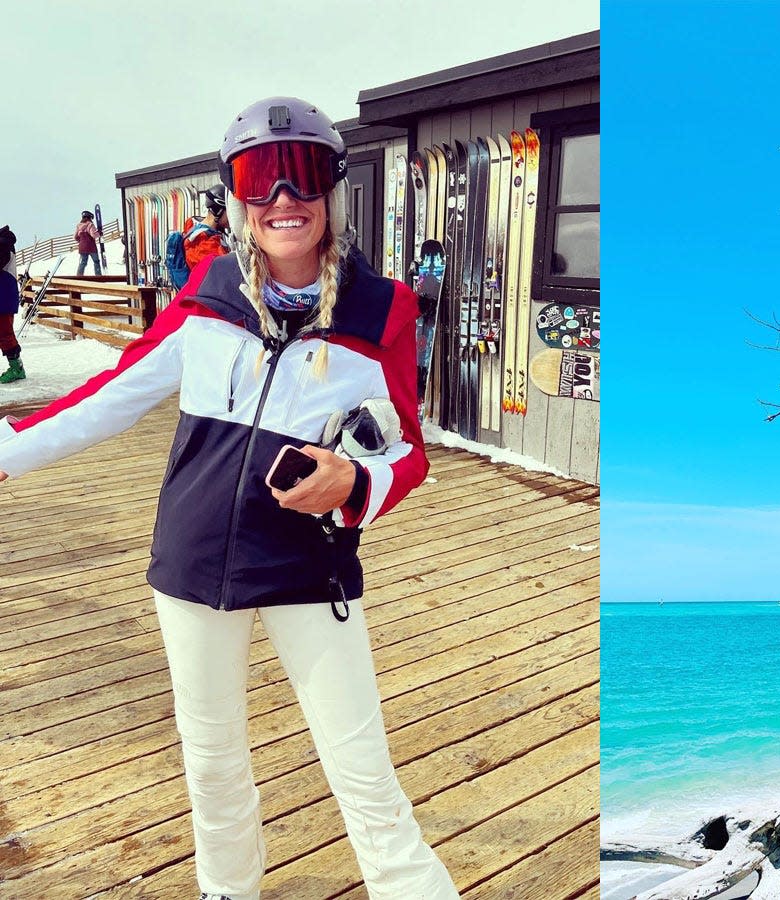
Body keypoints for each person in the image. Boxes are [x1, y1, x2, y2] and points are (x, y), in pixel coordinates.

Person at [0, 97, 459, 900]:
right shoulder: (210, 296)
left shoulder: (378, 312)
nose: (284, 199)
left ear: (333, 190)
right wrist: (9, 453)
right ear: (236, 196)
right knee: (212, 765)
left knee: (364, 775)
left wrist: (356, 482)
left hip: (305, 569)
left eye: (305, 175)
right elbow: (112, 393)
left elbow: (410, 452)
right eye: (259, 178)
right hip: (193, 564)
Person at [184, 184, 231, 270]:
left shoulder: (205, 231)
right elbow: (222, 272)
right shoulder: (202, 242)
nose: (232, 217)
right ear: (219, 211)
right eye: (229, 212)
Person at [0, 225, 23, 383]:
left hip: (4, 296)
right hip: (4, 295)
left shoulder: (3, 243)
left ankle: (17, 368)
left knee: (4, 333)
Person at [75, 209, 102, 275]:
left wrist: (81, 241)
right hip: (91, 247)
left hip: (82, 247)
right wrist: (99, 233)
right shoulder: (90, 225)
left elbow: (75, 237)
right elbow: (93, 235)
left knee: (83, 262)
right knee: (96, 261)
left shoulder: (79, 226)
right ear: (89, 217)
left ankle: (79, 275)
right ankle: (98, 275)